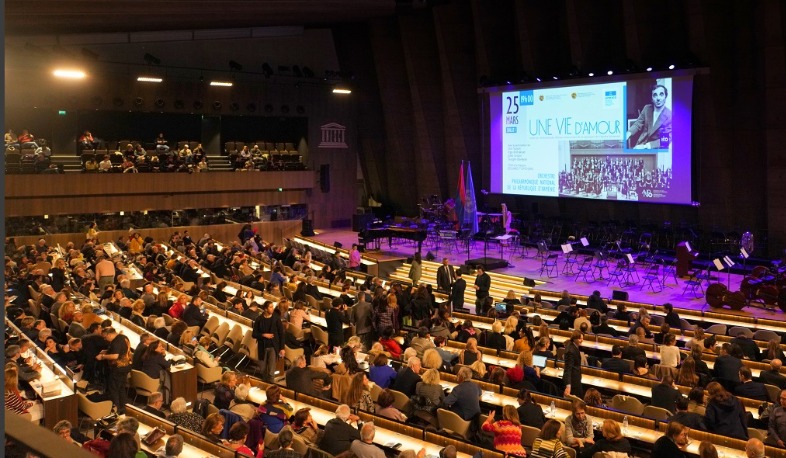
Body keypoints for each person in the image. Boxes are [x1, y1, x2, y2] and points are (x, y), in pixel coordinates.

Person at [626, 82, 672, 149]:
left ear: (665, 96)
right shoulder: (647, 108)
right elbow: (638, 124)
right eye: (655, 95)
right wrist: (628, 134)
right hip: (639, 145)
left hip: (656, 150)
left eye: (661, 94)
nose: (658, 98)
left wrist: (646, 146)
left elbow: (665, 140)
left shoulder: (669, 115)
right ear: (652, 98)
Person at [97, 327, 132, 414]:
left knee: (114, 389)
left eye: (105, 337)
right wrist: (106, 351)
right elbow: (121, 351)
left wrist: (103, 357)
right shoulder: (123, 337)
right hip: (126, 366)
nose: (105, 339)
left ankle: (116, 410)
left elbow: (115, 356)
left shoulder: (116, 342)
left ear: (109, 334)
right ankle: (123, 408)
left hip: (118, 369)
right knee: (121, 388)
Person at [253, 300, 285, 383]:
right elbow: (254, 334)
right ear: (265, 309)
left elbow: (281, 333)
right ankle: (264, 385)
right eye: (270, 307)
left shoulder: (276, 318)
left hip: (273, 347)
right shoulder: (259, 319)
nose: (273, 308)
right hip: (262, 347)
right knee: (262, 370)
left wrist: (282, 348)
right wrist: (263, 335)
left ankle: (270, 387)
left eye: (272, 307)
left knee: (271, 371)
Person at [563, 330, 584, 398]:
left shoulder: (573, 346)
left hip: (576, 377)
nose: (582, 340)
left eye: (582, 338)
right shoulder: (570, 351)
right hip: (573, 380)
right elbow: (568, 369)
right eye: (580, 338)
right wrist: (568, 385)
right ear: (574, 338)